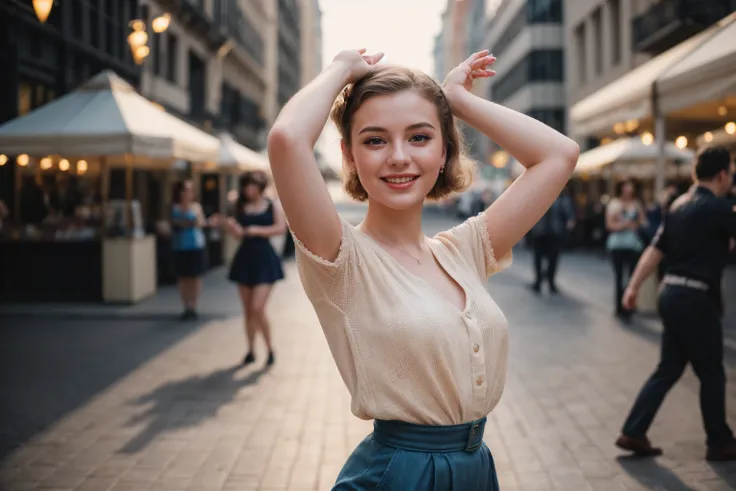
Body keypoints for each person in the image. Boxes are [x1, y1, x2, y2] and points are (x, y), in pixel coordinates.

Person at [267, 48, 579, 489]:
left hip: (476, 468)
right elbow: (286, 140)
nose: (398, 157)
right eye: (375, 140)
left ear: (444, 149)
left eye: (419, 137)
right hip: (400, 475)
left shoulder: (464, 249)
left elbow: (559, 154)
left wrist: (458, 99)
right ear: (350, 155)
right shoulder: (342, 257)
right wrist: (341, 69)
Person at [616, 146, 736, 461]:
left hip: (669, 294)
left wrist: (633, 286)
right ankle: (720, 441)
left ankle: (633, 431)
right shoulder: (720, 209)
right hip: (696, 297)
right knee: (711, 371)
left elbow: (655, 250)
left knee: (669, 367)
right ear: (722, 174)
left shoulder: (678, 206)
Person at [211, 171, 285, 366]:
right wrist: (231, 227)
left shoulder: (272, 205)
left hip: (265, 258)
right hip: (245, 258)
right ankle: (251, 350)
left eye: (252, 186)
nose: (248, 190)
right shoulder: (240, 206)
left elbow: (280, 228)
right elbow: (239, 235)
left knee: (258, 307)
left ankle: (269, 348)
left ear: (260, 187)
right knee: (248, 310)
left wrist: (257, 230)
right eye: (246, 186)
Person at [605, 178, 647, 321]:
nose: (629, 189)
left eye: (630, 186)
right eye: (626, 186)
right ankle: (619, 307)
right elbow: (610, 225)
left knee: (631, 277)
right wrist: (625, 225)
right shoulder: (614, 204)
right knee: (619, 277)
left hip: (633, 244)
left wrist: (637, 224)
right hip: (617, 244)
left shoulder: (636, 204)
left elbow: (643, 221)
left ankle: (629, 307)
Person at [171, 179, 208, 321]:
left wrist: (187, 222)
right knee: (183, 277)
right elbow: (172, 224)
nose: (188, 193)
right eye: (186, 190)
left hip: (195, 245)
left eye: (191, 190)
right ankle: (186, 306)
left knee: (194, 277)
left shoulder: (196, 207)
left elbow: (201, 223)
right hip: (180, 246)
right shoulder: (174, 207)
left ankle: (193, 306)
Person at [528, 189, 575, 294]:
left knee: (553, 259)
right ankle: (538, 281)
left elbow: (568, 212)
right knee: (538, 258)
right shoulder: (537, 195)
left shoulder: (561, 195)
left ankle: (551, 281)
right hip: (539, 231)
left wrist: (570, 220)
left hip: (554, 232)